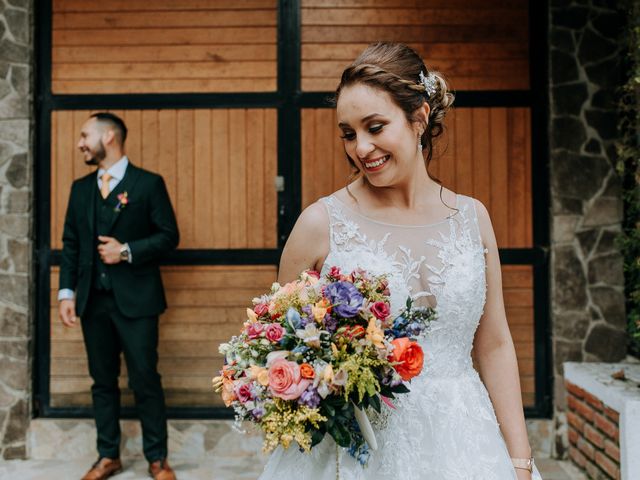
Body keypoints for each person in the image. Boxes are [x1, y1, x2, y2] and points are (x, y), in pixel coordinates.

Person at [258, 43, 543, 479]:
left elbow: (495, 343)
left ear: (420, 118)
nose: (361, 148)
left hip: (465, 441)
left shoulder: (472, 218)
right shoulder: (320, 224)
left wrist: (520, 461)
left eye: (375, 127)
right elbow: (284, 350)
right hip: (361, 452)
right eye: (349, 133)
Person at [58, 112, 180, 480]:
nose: (80, 143)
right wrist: (66, 292)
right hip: (92, 301)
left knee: (145, 378)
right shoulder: (80, 189)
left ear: (108, 136)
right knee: (102, 380)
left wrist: (125, 250)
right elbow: (71, 244)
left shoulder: (148, 184)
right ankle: (107, 455)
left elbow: (168, 236)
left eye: (85, 135)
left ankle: (157, 458)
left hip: (137, 301)